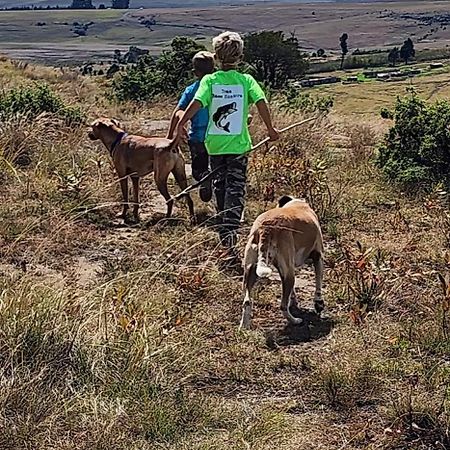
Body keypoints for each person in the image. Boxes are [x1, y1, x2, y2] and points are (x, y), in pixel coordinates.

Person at [175, 31, 279, 266]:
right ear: (240, 56)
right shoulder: (246, 81)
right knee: (236, 186)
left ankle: (224, 228)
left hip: (215, 144)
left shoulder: (209, 81)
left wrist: (181, 123)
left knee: (220, 184)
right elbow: (261, 103)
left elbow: (196, 104)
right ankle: (229, 231)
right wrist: (271, 129)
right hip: (239, 145)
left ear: (217, 56)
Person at [167, 50, 215, 202]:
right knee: (218, 167)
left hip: (197, 137)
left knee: (197, 169)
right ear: (214, 69)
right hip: (219, 136)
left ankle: (202, 176)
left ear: (194, 72)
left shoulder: (191, 90)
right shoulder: (220, 88)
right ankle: (214, 185)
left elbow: (178, 111)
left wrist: (170, 134)